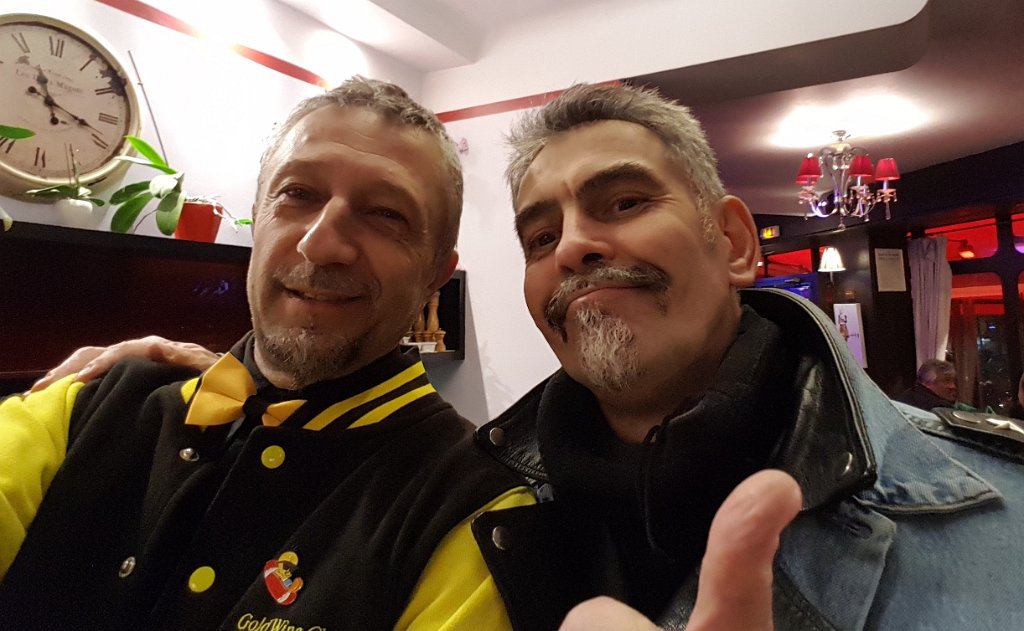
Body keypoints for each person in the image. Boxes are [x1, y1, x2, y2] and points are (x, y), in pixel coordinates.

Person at [29, 83, 1024, 629]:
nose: (576, 245)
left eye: (622, 201)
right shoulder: (502, 502)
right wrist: (170, 391)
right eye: (540, 233)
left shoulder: (997, 510)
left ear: (731, 239)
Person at [0, 76, 536, 630]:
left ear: (436, 275)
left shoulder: (471, 512)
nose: (320, 243)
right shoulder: (84, 407)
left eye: (386, 214)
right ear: (257, 217)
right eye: (298, 194)